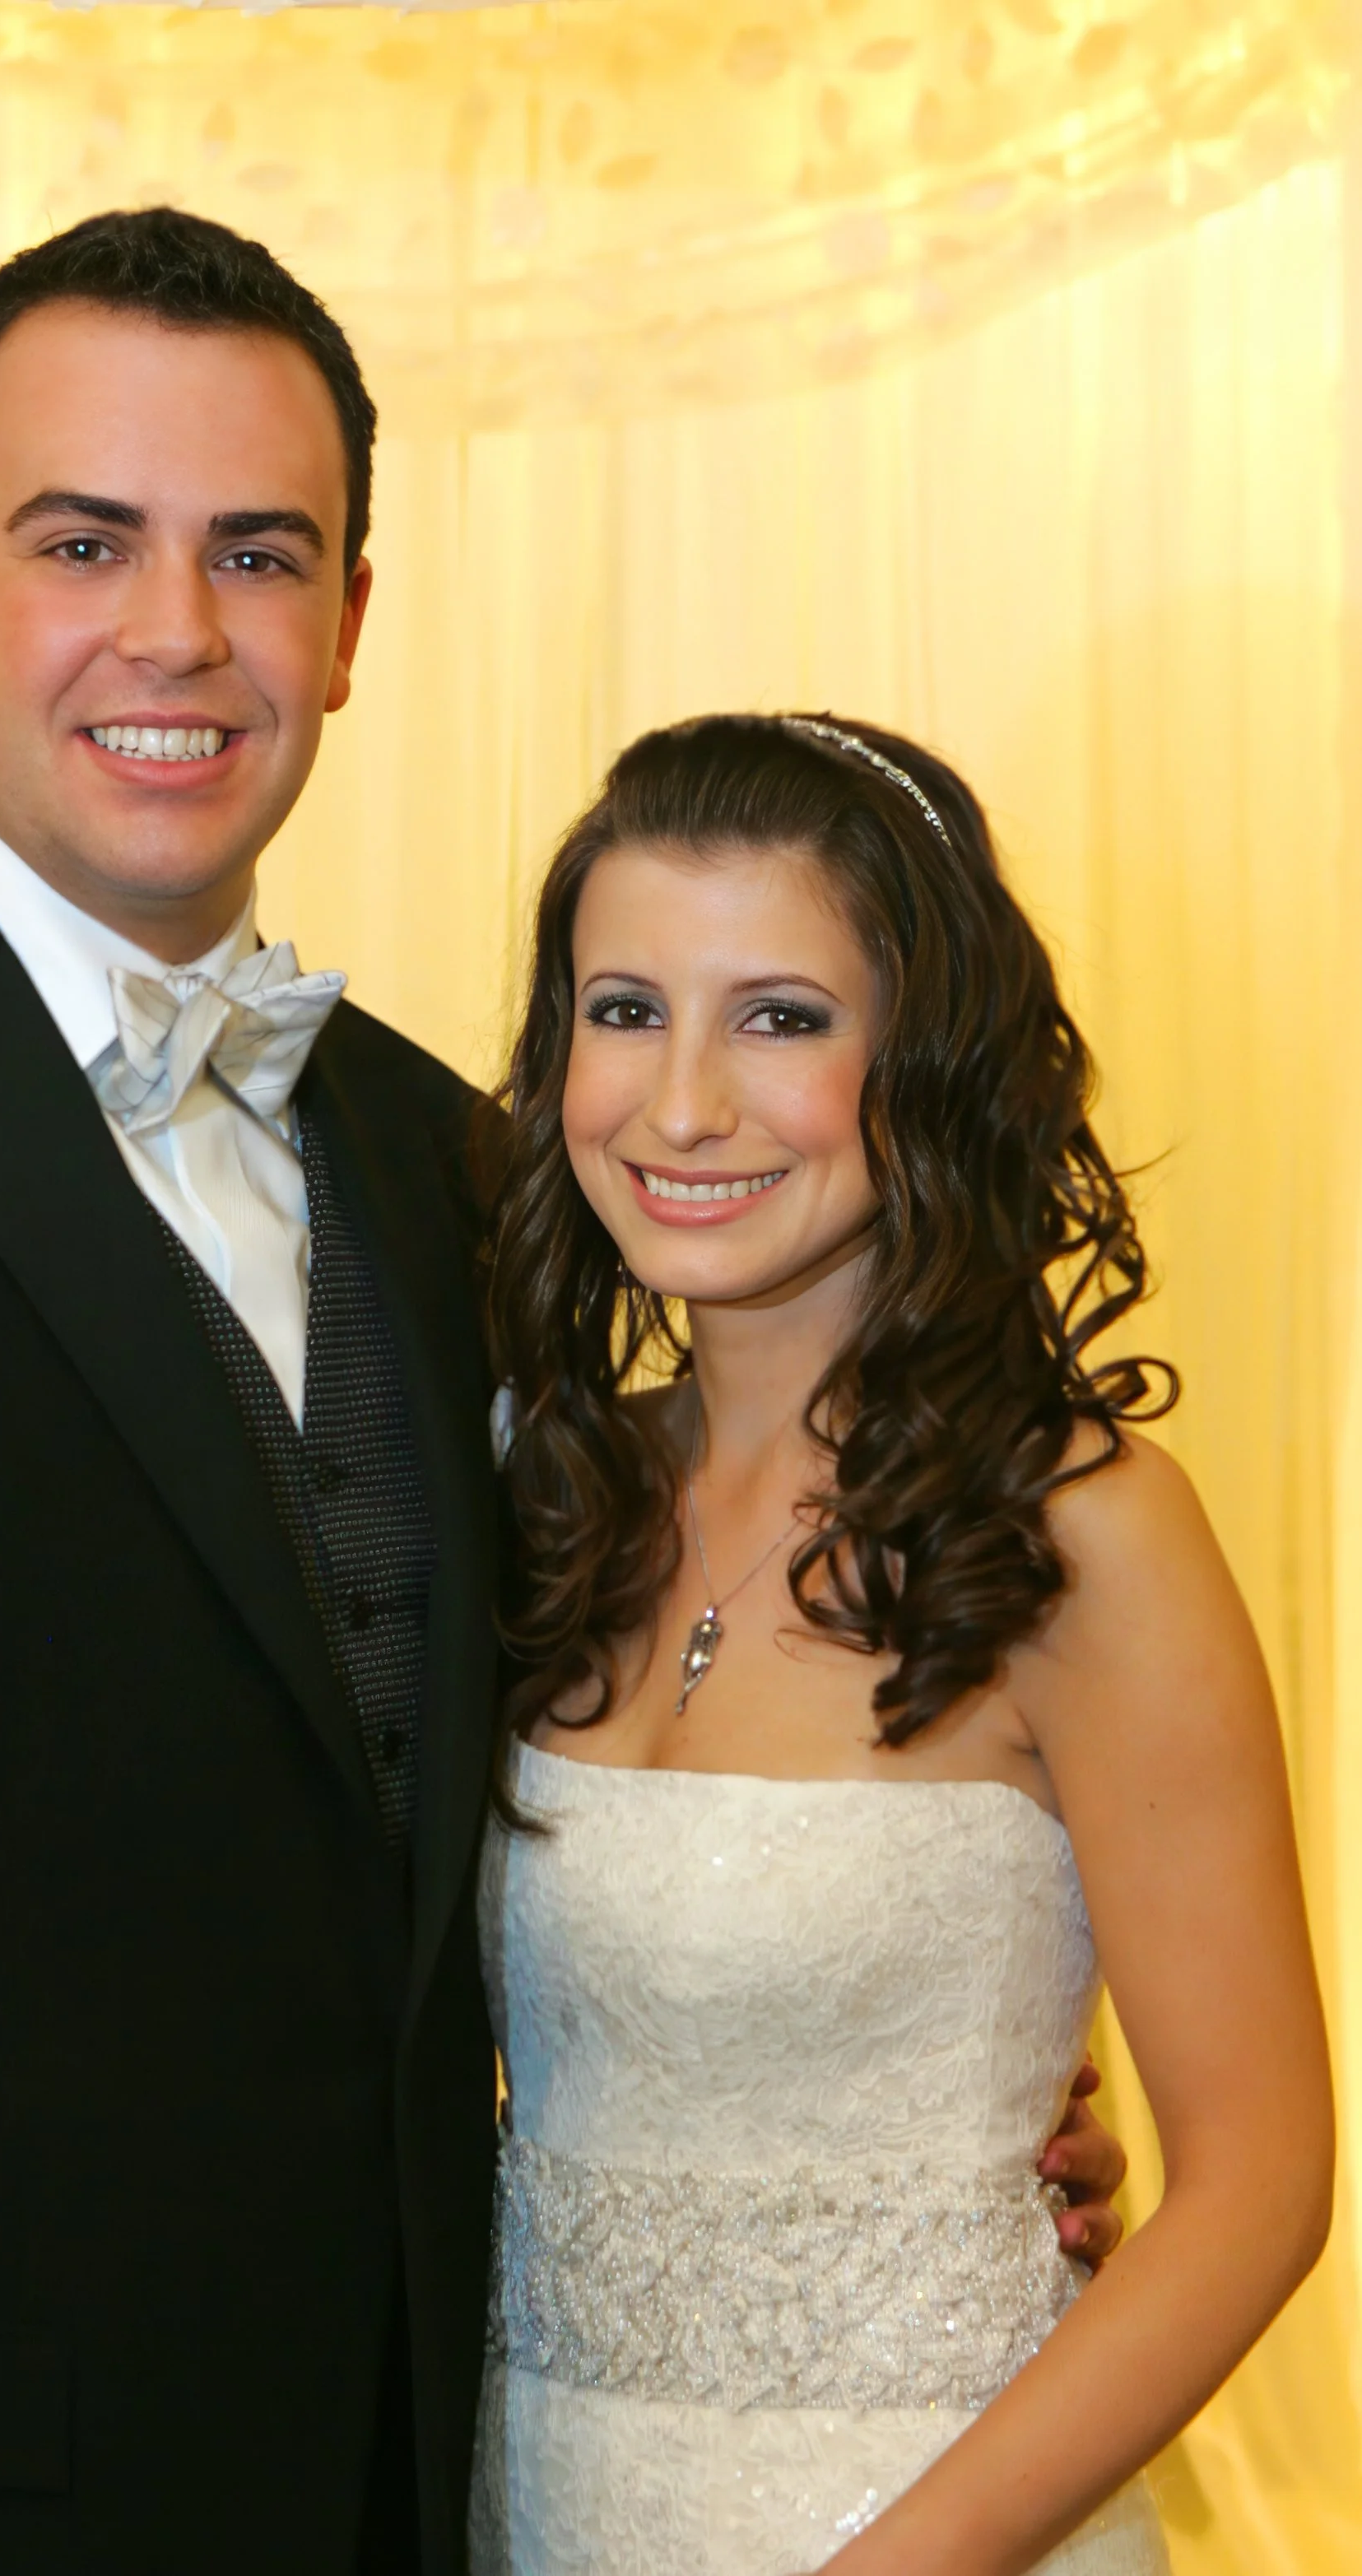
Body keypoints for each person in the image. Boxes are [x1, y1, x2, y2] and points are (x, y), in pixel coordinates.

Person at [0, 210, 1131, 2576]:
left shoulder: (462, 1161)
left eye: (257, 555)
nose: (175, 633)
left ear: (351, 626)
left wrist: (890, 2067)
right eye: (82, 541)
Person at [472, 714, 1334, 2574]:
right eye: (622, 1009)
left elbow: (1258, 2178)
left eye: (777, 1016)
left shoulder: (1078, 1530)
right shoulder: (546, 1493)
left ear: (923, 1063)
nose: (679, 1103)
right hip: (537, 2500)